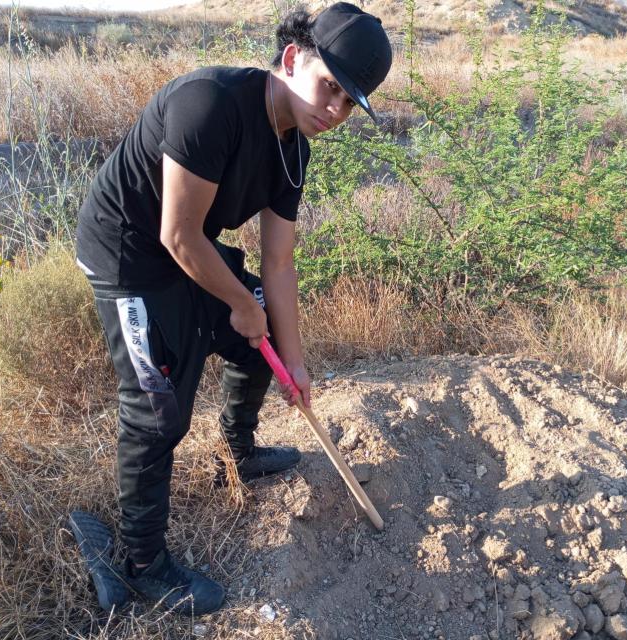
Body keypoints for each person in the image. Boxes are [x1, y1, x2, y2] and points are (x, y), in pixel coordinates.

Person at [72, 2, 392, 615]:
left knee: (261, 337)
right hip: (129, 252)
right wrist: (239, 306)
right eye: (331, 88)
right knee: (157, 408)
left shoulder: (294, 148)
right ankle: (143, 563)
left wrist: (293, 363)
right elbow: (179, 236)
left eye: (350, 103)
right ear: (294, 58)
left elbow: (277, 265)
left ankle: (238, 453)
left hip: (184, 249)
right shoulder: (211, 104)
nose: (335, 112)